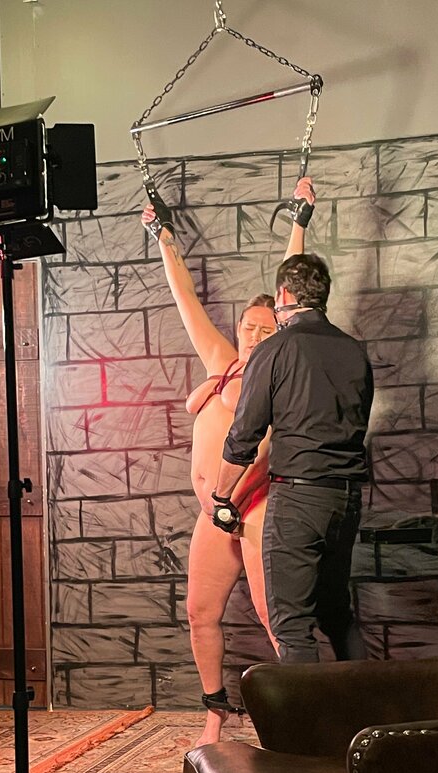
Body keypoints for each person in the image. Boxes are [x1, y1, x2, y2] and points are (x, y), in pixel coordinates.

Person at [141, 178, 316, 743]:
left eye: (266, 327)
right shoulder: (223, 359)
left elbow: (291, 280)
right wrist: (163, 235)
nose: (254, 333)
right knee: (200, 612)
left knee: (275, 617)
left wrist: (299, 222)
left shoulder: (283, 367)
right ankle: (216, 712)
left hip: (254, 504)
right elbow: (185, 299)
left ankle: (303, 719)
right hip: (212, 510)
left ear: (282, 327)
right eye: (248, 325)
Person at [210, 253, 374, 664]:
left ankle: (308, 712)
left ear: (283, 295)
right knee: (336, 614)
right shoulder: (354, 351)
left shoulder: (275, 349)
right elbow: (359, 421)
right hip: (347, 499)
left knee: (292, 625)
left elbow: (245, 435)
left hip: (299, 499)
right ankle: (369, 705)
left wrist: (220, 496)